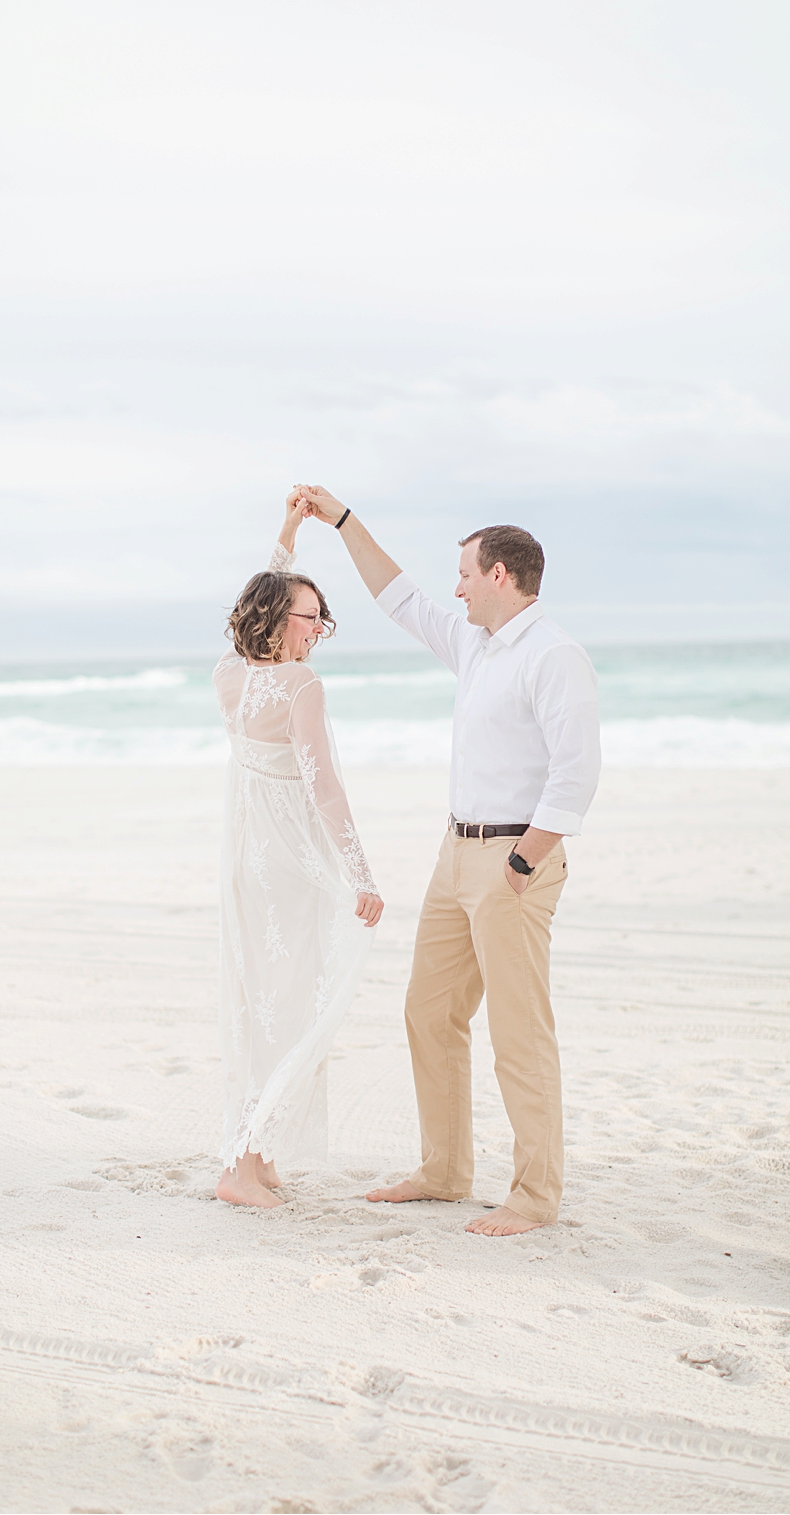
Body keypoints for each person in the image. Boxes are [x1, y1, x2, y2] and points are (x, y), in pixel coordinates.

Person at [290, 484, 599, 1237]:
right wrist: (340, 521)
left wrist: (522, 864)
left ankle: (533, 1194)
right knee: (429, 1011)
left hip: (511, 862)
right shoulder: (475, 643)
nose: (453, 586)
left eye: (464, 572)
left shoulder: (555, 655)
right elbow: (398, 596)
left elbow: (577, 773)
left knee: (519, 1032)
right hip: (453, 853)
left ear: (500, 575)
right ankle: (445, 1168)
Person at [212, 497, 385, 1209]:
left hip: (247, 862)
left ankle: (258, 1151)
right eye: (308, 616)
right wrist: (361, 874)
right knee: (291, 1004)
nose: (319, 628)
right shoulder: (300, 685)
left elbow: (262, 591)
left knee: (263, 1000)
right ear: (279, 622)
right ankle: (242, 1167)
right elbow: (326, 788)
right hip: (288, 865)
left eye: (321, 616)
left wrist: (286, 539)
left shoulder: (230, 674)